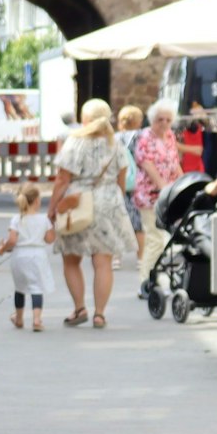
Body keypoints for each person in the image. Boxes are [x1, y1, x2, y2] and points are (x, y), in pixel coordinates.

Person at [48, 98, 131, 329]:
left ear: (84, 118)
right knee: (103, 262)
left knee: (71, 259)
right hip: (108, 203)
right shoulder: (115, 143)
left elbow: (62, 179)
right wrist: (115, 202)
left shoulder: (75, 142)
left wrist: (53, 207)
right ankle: (100, 314)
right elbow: (122, 179)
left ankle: (79, 308)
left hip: (77, 203)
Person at [133, 100, 184, 286]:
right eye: (160, 119)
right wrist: (164, 187)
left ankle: (157, 277)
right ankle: (146, 281)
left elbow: (174, 163)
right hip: (150, 195)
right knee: (154, 239)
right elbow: (148, 165)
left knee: (164, 239)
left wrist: (184, 182)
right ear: (152, 120)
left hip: (167, 195)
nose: (164, 123)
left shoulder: (169, 136)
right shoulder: (145, 138)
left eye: (168, 120)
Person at [0, 183, 55, 330]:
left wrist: (2, 249)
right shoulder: (44, 219)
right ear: (37, 200)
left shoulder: (17, 219)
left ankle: (19, 318)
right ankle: (36, 320)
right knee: (36, 288)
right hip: (38, 256)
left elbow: (12, 240)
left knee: (20, 288)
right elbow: (49, 239)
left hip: (19, 256)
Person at [114, 105, 146, 259]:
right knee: (138, 222)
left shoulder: (114, 138)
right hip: (138, 182)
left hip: (118, 181)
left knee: (117, 219)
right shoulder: (142, 136)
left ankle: (116, 258)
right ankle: (141, 258)